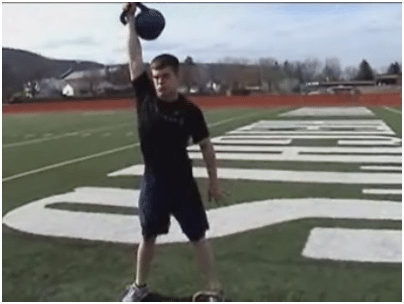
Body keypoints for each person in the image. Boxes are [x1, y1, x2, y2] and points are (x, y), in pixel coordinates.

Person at [120, 3, 227, 302]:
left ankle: (215, 291)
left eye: (165, 76)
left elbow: (206, 147)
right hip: (154, 179)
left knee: (197, 236)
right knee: (148, 235)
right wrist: (130, 22)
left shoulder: (190, 111)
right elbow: (134, 56)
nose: (159, 81)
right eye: (155, 77)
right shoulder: (145, 97)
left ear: (177, 76)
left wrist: (214, 181)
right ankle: (139, 288)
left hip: (182, 181)